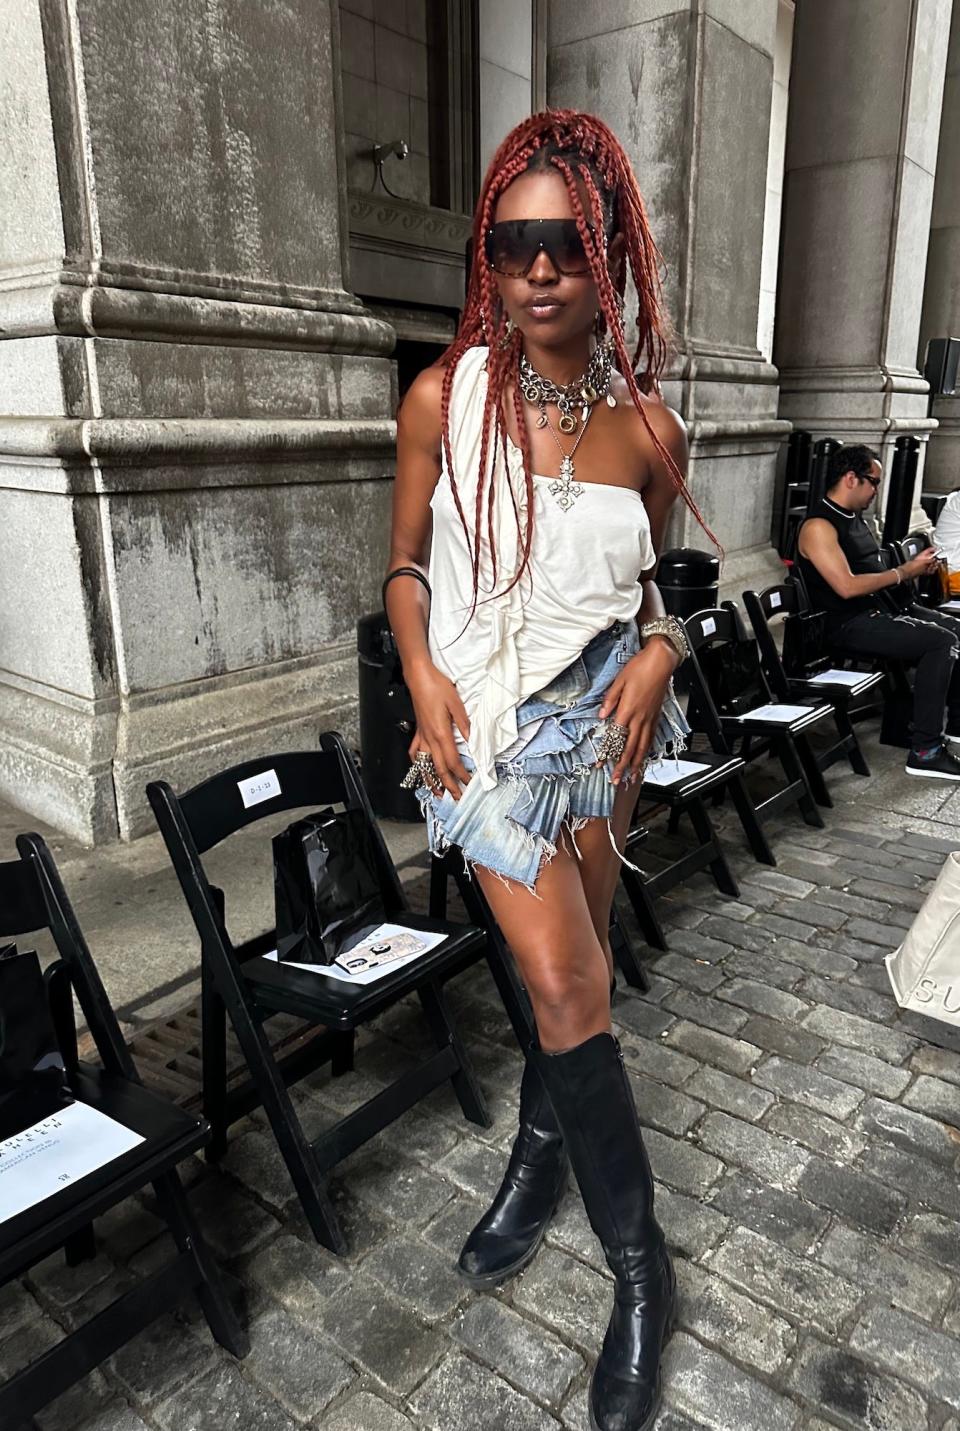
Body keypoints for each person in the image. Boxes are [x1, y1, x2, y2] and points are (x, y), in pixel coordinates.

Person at [383, 108, 715, 1431]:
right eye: (512, 243)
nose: (536, 270)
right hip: (476, 723)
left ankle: (536, 1152)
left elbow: (674, 591)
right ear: (490, 258)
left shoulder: (652, 428)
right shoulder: (440, 398)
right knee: (573, 976)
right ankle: (645, 1270)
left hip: (596, 719)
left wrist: (662, 651)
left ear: (610, 255)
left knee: (555, 969)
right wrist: (417, 676)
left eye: (564, 244)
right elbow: (407, 566)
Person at [797, 444, 960, 779]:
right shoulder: (819, 526)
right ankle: (926, 750)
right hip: (845, 624)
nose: (876, 491)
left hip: (877, 611)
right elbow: (845, 586)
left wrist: (914, 570)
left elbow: (875, 569)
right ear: (851, 478)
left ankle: (955, 722)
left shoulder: (855, 520)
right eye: (873, 482)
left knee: (955, 630)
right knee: (938, 642)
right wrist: (905, 572)